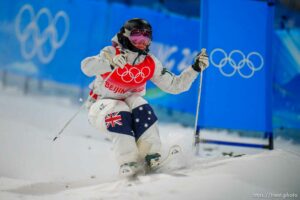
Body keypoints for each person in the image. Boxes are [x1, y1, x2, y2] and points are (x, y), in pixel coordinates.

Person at [81, 18, 209, 176]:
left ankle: (151, 155)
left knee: (140, 104)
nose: (141, 42)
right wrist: (111, 63)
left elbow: (175, 85)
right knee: (119, 110)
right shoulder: (111, 52)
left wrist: (195, 69)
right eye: (136, 38)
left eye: (146, 38)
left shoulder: (150, 63)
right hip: (100, 106)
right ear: (125, 36)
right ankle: (128, 161)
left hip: (129, 104)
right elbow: (86, 67)